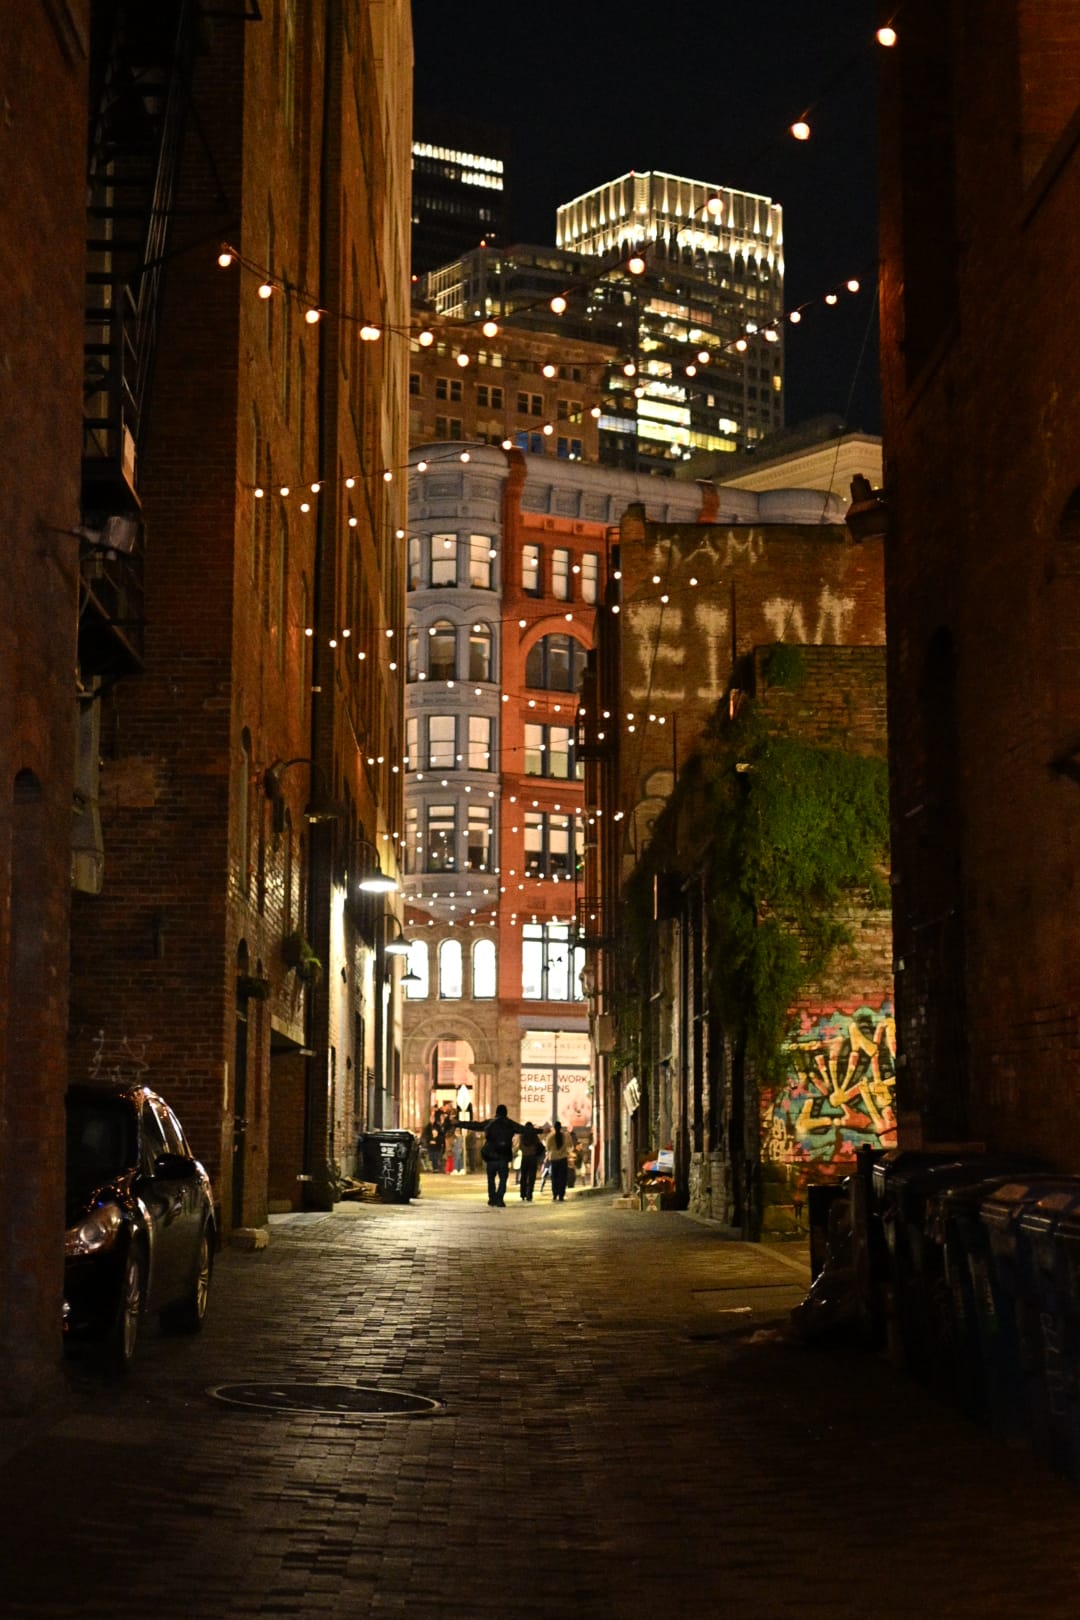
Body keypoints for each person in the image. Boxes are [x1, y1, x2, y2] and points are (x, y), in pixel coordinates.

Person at [458, 1103, 526, 1206]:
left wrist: (458, 1123)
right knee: (503, 1179)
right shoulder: (510, 1124)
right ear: (506, 1113)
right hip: (504, 1156)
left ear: (496, 1112)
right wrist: (540, 1130)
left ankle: (492, 1198)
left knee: (491, 1179)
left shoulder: (490, 1123)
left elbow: (475, 1125)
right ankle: (499, 1198)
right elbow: (524, 1129)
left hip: (491, 1157)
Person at [516, 1122, 545, 1201]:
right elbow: (539, 1146)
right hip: (533, 1158)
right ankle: (529, 1194)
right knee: (532, 1177)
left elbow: (520, 1147)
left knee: (523, 1177)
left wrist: (526, 1150)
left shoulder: (522, 1136)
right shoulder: (534, 1136)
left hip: (525, 1158)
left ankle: (523, 1194)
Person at [545, 1119, 572, 1202]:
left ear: (554, 1127)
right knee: (562, 1178)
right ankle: (561, 1195)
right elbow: (570, 1146)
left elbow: (548, 1148)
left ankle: (555, 1194)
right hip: (563, 1159)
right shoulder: (566, 1136)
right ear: (561, 1127)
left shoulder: (549, 1137)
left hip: (553, 1159)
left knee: (554, 1177)